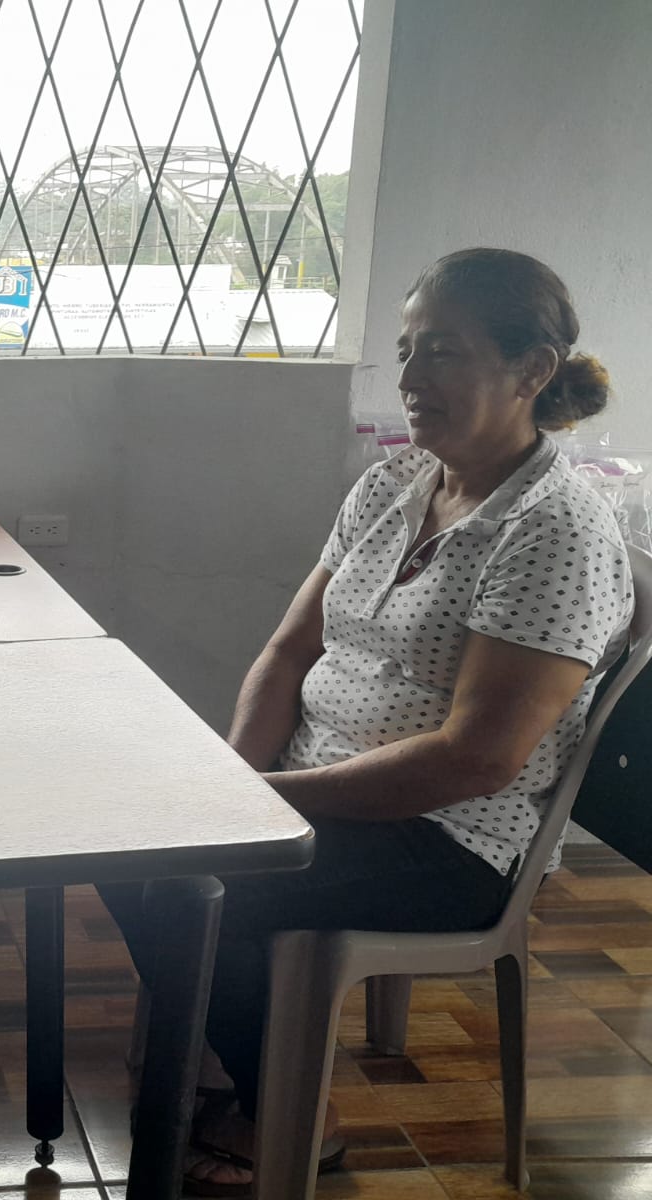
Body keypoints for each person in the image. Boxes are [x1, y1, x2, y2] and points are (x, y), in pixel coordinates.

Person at [100, 248, 634, 1197]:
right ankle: (236, 1050)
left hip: (447, 839)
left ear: (532, 370)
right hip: (317, 789)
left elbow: (475, 761)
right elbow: (287, 651)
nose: (411, 376)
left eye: (444, 351)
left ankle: (291, 1113)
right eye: (407, 348)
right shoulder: (396, 484)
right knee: (127, 841)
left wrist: (258, 805)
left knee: (187, 882)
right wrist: (235, 784)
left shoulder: (555, 531)